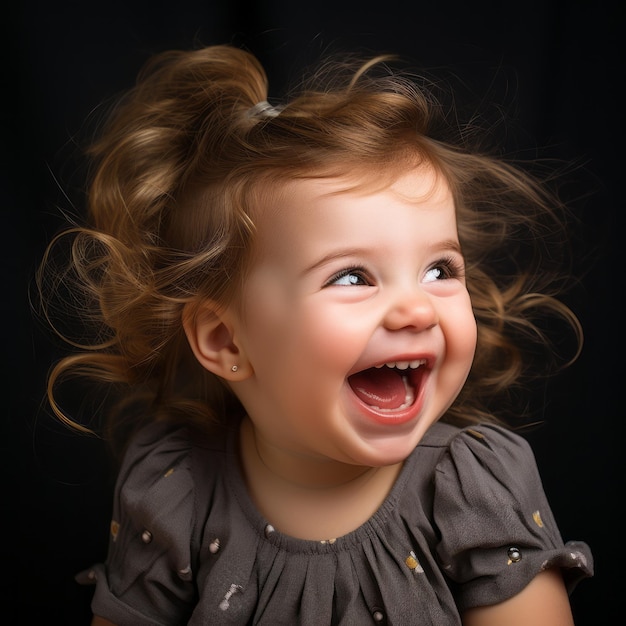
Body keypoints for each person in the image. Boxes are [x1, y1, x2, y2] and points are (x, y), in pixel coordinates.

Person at [37, 44, 593, 625]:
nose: (417, 310)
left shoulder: (473, 488)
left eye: (439, 270)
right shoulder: (177, 492)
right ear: (226, 341)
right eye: (352, 276)